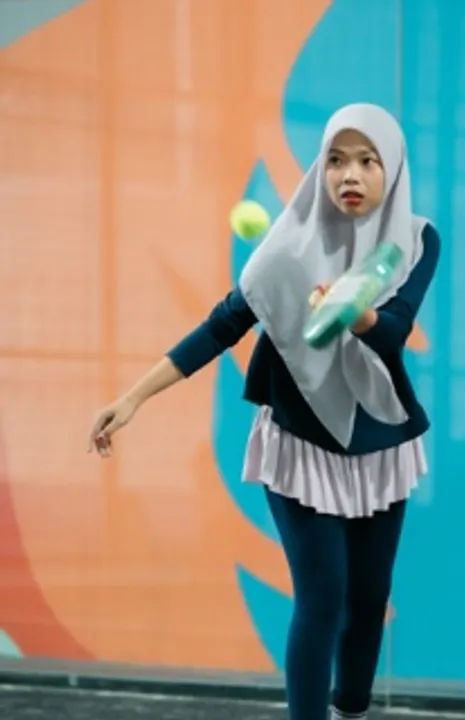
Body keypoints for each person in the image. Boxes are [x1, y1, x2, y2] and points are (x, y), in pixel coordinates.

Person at [88, 103, 441, 720]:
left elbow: (393, 330)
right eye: (336, 160)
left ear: (393, 169)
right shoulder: (284, 252)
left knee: (367, 601)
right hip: (299, 444)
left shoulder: (415, 241)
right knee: (322, 601)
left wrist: (352, 310)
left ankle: (351, 710)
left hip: (379, 440)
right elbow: (220, 327)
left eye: (367, 161)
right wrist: (132, 398)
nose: (349, 174)